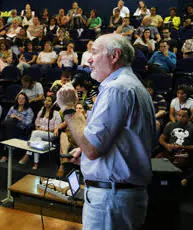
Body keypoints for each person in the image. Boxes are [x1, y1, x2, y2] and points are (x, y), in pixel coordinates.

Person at [56, 33, 155, 230]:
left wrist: (68, 108)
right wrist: (83, 150)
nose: (89, 59)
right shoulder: (131, 85)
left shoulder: (117, 89)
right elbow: (116, 140)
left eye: (94, 52)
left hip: (111, 199)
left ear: (114, 55)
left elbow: (92, 148)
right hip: (120, 196)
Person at [19, 96, 62, 170]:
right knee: (37, 139)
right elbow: (36, 125)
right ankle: (36, 163)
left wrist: (45, 131)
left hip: (50, 135)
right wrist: (39, 130)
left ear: (52, 103)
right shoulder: (41, 112)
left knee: (35, 133)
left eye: (49, 101)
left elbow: (56, 128)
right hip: (40, 134)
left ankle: (27, 154)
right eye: (46, 100)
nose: (46, 102)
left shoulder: (56, 113)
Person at [0, 92, 34, 163]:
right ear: (17, 100)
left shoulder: (29, 110)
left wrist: (18, 118)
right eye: (19, 98)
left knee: (9, 126)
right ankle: (9, 154)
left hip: (21, 129)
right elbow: (6, 119)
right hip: (10, 127)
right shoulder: (13, 108)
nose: (21, 100)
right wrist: (12, 118)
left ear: (26, 100)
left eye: (23, 99)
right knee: (9, 123)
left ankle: (6, 155)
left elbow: (28, 123)